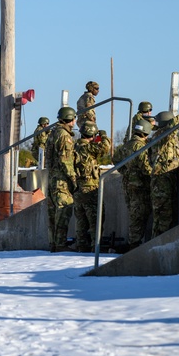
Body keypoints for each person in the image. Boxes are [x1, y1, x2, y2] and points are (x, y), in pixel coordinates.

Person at [72, 122, 111, 252]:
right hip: (90, 189)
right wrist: (104, 136)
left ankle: (81, 246)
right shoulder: (88, 147)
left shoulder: (75, 146)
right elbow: (105, 148)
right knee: (96, 220)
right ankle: (96, 247)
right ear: (92, 134)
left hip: (78, 188)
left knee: (81, 221)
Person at [115, 118, 154, 250]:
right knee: (139, 215)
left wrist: (124, 171)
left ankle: (134, 242)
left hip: (128, 184)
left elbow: (116, 160)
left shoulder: (126, 145)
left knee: (134, 213)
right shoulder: (140, 146)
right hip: (140, 185)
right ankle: (134, 244)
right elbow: (145, 166)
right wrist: (155, 174)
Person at [45, 106, 77, 252]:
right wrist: (73, 178)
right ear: (70, 119)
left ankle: (53, 243)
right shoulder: (64, 135)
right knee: (64, 211)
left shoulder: (53, 133)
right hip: (61, 180)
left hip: (52, 178)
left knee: (53, 214)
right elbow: (66, 160)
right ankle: (60, 244)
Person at [149, 111, 179, 238]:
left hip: (167, 180)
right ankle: (158, 245)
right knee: (164, 216)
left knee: (165, 215)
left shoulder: (170, 139)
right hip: (162, 181)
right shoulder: (162, 134)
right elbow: (171, 128)